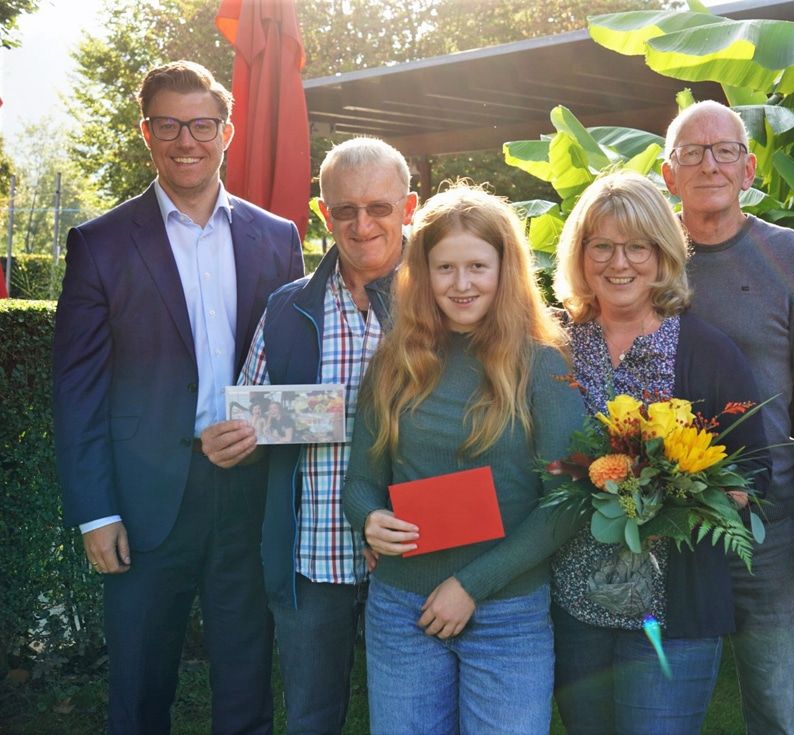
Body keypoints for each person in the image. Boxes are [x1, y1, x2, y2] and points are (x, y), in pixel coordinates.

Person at [52, 60, 303, 734]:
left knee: (247, 682)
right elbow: (77, 391)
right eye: (168, 125)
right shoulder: (99, 244)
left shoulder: (278, 237)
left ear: (227, 132)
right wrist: (96, 512)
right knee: (138, 687)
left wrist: (262, 430)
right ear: (146, 132)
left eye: (201, 125)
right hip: (142, 501)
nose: (186, 140)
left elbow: (295, 373)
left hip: (247, 494)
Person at [342, 183, 585, 734]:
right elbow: (360, 481)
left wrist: (471, 585)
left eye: (477, 266)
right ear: (422, 274)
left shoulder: (542, 366)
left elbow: (566, 504)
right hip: (401, 608)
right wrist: (370, 519)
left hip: (507, 614)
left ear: (505, 269)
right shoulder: (395, 362)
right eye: (445, 268)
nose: (461, 283)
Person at [199, 136, 416, 734]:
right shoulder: (288, 308)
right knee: (311, 718)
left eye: (379, 208)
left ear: (409, 207)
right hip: (312, 556)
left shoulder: (444, 301)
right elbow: (251, 419)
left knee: (416, 718)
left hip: (414, 549)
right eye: (345, 210)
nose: (362, 225)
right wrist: (231, 444)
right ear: (323, 213)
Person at [661, 99, 794, 734]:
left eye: (725, 152)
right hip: (659, 517)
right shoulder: (647, 254)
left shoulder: (789, 255)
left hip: (762, 519)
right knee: (659, 700)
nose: (709, 165)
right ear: (668, 175)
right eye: (692, 153)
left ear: (748, 170)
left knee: (775, 703)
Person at [550, 171, 771, 734]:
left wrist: (678, 498)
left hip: (673, 611)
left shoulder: (708, 352)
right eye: (601, 246)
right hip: (573, 604)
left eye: (637, 247)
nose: (618, 262)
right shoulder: (555, 345)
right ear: (580, 253)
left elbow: (754, 470)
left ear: (663, 253)